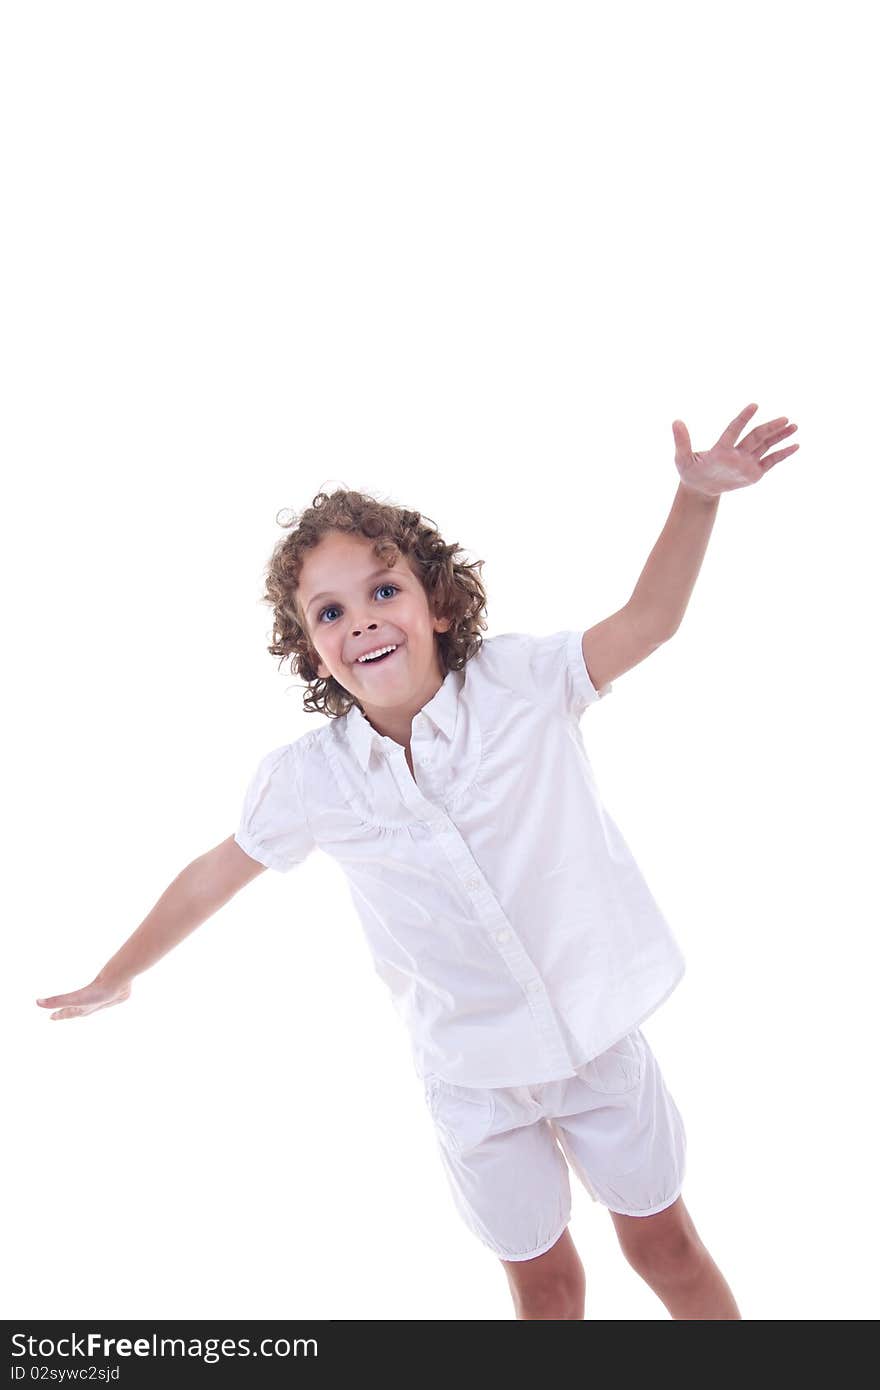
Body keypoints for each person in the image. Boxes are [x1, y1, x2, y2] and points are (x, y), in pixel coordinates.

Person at [36, 403, 798, 1319]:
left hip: (596, 1041)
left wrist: (695, 500)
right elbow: (216, 872)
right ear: (313, 651)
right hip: (474, 1078)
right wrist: (119, 975)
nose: (362, 620)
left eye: (383, 591)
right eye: (331, 610)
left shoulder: (524, 685)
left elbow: (650, 620)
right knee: (546, 1286)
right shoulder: (312, 780)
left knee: (664, 1243)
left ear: (438, 604)